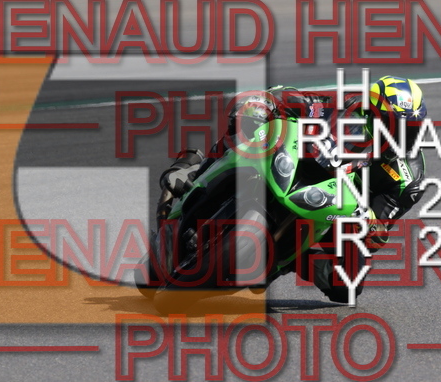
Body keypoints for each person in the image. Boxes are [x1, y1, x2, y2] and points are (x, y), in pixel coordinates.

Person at [159, 76, 427, 303]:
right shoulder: (345, 106)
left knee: (346, 287)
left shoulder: (409, 179)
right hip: (303, 165)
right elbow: (289, 97)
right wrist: (263, 104)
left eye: (410, 130)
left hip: (339, 211)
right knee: (247, 122)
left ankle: (289, 259)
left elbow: (379, 228)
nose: (400, 137)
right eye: (393, 126)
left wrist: (368, 224)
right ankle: (195, 171)